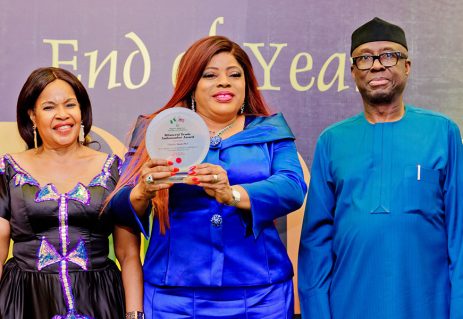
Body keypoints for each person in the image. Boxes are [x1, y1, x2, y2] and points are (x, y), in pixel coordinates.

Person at [109, 35, 307, 318]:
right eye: (210, 75)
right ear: (191, 85)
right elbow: (118, 206)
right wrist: (144, 189)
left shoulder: (271, 132)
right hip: (172, 297)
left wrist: (233, 194)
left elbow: (291, 187)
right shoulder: (160, 131)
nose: (224, 82)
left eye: (234, 75)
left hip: (261, 296)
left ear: (246, 83)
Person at [298, 17, 463, 319]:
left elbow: (460, 236)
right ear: (353, 72)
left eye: (389, 55)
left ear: (407, 66)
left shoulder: (443, 133)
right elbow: (315, 246)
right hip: (349, 306)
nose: (376, 65)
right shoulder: (332, 141)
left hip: (428, 306)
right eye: (364, 58)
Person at [0, 67, 143, 319]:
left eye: (70, 105)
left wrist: (134, 315)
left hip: (100, 300)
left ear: (82, 111)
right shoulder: (8, 169)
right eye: (49, 107)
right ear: (32, 115)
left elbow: (128, 253)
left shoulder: (114, 168)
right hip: (25, 300)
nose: (62, 115)